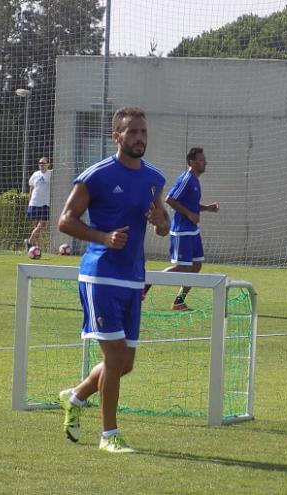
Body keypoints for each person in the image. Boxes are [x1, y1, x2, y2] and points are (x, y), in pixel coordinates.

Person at [57, 107, 170, 453]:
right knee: (115, 355)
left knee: (125, 364)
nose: (139, 138)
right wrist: (104, 238)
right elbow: (65, 220)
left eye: (144, 132)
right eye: (132, 132)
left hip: (133, 277)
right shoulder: (97, 176)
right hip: (101, 275)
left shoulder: (154, 178)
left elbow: (164, 226)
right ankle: (109, 435)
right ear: (117, 137)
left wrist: (160, 221)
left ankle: (75, 396)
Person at [156, 147, 219, 310]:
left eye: (204, 159)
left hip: (193, 231)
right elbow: (170, 199)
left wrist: (207, 208)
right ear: (192, 162)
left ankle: (179, 302)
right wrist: (190, 214)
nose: (205, 162)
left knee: (196, 265)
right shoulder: (186, 179)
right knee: (183, 267)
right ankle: (149, 282)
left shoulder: (195, 181)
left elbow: (190, 205)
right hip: (182, 230)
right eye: (201, 160)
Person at [24, 157, 52, 251]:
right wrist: (29, 201)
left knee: (42, 225)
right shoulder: (35, 174)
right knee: (36, 228)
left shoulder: (51, 173)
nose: (41, 165)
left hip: (45, 203)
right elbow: (31, 188)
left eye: (44, 163)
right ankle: (37, 249)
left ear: (48, 164)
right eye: (40, 163)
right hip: (34, 203)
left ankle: (29, 241)